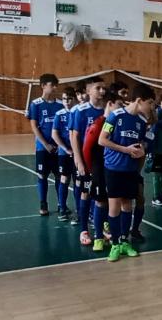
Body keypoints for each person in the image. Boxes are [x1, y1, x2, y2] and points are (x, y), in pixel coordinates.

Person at [99, 85, 155, 261]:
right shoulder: (115, 116)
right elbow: (102, 140)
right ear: (139, 101)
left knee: (127, 205)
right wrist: (125, 149)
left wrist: (142, 150)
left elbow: (141, 144)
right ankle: (115, 244)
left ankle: (124, 241)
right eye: (149, 103)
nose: (151, 107)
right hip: (114, 168)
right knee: (114, 206)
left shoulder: (141, 122)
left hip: (130, 169)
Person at [80, 90, 122, 252]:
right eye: (119, 105)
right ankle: (98, 237)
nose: (121, 109)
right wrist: (91, 169)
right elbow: (86, 148)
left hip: (113, 168)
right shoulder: (99, 124)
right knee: (100, 201)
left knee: (113, 202)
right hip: (99, 169)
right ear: (110, 104)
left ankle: (110, 233)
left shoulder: (117, 123)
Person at [69, 78, 108, 244]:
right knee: (85, 192)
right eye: (98, 88)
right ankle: (84, 229)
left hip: (104, 159)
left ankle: (103, 226)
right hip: (87, 159)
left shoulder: (108, 109)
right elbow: (74, 136)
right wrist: (78, 159)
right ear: (88, 91)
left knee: (102, 195)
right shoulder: (81, 110)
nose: (102, 91)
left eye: (103, 88)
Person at [26, 73, 65, 216]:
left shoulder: (60, 104)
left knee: (60, 176)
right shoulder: (35, 104)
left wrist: (61, 145)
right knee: (42, 175)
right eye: (52, 85)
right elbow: (34, 126)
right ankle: (43, 203)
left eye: (56, 85)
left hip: (59, 148)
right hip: (42, 148)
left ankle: (62, 204)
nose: (55, 88)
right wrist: (46, 144)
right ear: (43, 86)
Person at [50, 86, 78, 220]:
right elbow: (54, 134)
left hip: (77, 154)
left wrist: (76, 150)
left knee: (78, 181)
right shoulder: (59, 114)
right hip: (64, 153)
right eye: (64, 99)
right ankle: (62, 208)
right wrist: (66, 149)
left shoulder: (78, 112)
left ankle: (79, 209)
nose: (66, 101)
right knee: (64, 179)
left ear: (74, 99)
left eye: (69, 98)